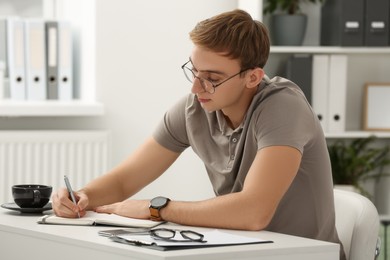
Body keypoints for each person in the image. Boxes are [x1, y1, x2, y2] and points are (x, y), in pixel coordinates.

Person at [52, 9, 345, 259]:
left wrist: (156, 209)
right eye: (194, 72)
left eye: (212, 78)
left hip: (305, 255)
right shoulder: (195, 109)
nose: (195, 87)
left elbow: (254, 212)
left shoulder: (283, 107)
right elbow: (124, 179)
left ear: (252, 77)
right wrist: (83, 196)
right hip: (245, 251)